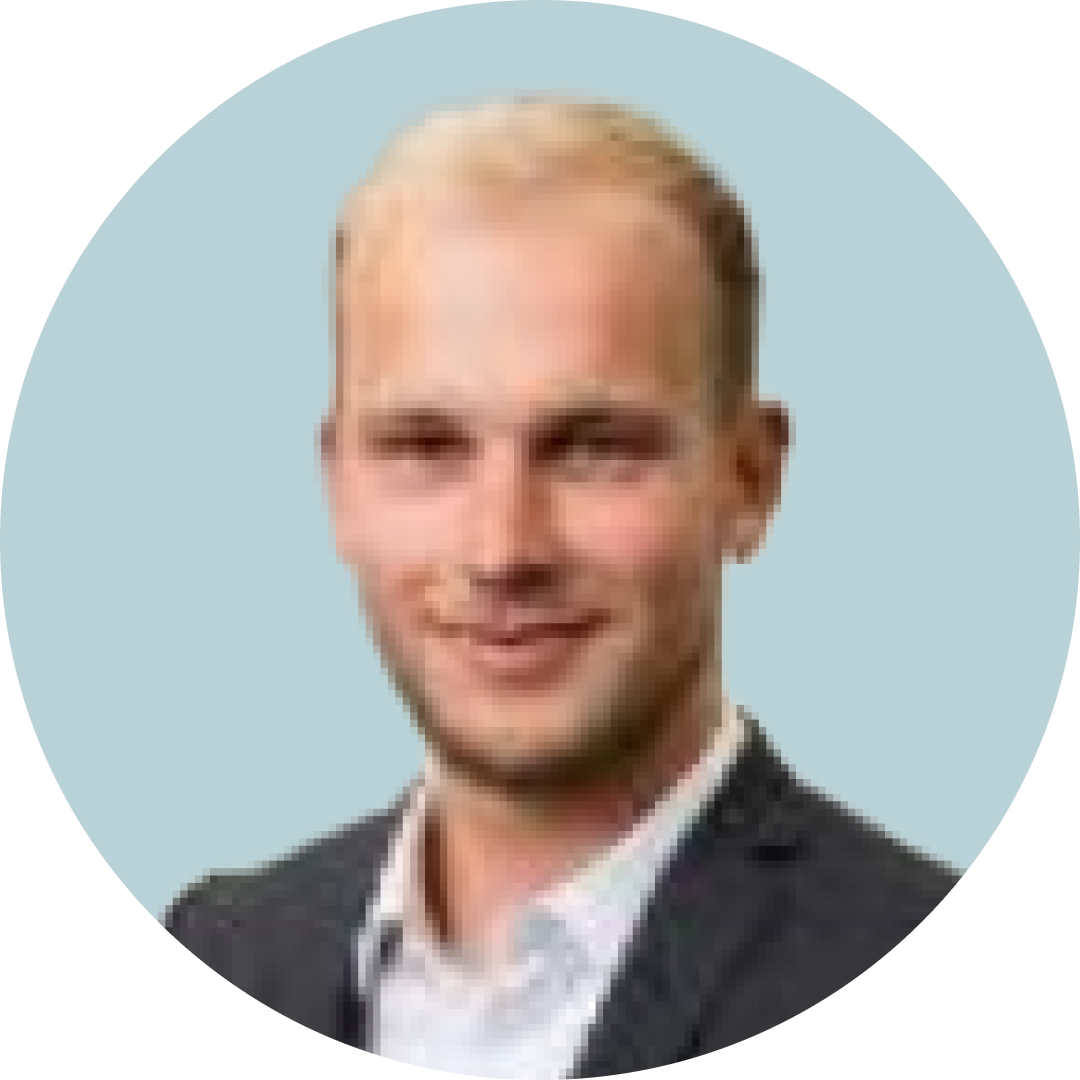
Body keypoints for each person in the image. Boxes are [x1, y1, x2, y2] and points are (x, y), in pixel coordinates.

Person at [166, 97, 959, 1077]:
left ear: (750, 479)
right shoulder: (215, 957)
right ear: (339, 487)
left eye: (594, 448)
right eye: (426, 446)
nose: (503, 550)